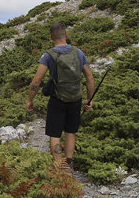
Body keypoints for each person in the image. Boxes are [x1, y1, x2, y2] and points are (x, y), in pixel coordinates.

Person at [26, 22, 94, 168]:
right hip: (76, 98)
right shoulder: (78, 53)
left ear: (51, 38)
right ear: (66, 35)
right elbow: (89, 77)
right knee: (70, 131)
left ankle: (58, 168)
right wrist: (89, 99)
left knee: (55, 134)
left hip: (57, 100)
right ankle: (68, 163)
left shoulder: (48, 55)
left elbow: (37, 81)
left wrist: (30, 100)